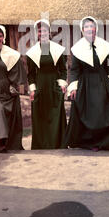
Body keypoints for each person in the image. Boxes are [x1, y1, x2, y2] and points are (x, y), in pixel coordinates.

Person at [64, 16, 109, 151]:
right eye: (86, 27)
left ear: (96, 28)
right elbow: (74, 71)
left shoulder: (104, 46)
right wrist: (73, 87)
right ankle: (92, 142)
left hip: (102, 82)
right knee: (90, 111)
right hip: (86, 84)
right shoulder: (77, 49)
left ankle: (108, 141)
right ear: (83, 30)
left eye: (91, 26)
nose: (89, 29)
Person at [26, 19, 67, 149]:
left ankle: (57, 143)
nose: (42, 33)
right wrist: (32, 89)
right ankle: (42, 145)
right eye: (39, 30)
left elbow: (63, 70)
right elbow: (31, 74)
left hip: (53, 85)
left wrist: (62, 84)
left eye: (44, 30)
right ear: (36, 33)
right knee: (41, 117)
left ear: (49, 32)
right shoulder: (32, 52)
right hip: (40, 86)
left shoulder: (58, 49)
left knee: (55, 116)